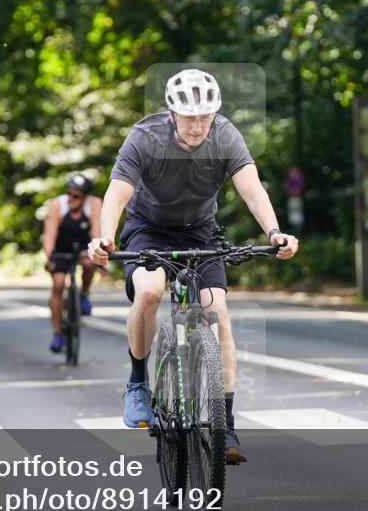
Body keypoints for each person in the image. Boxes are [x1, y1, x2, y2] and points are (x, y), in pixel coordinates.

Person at [87, 69, 299, 463]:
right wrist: (104, 238)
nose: (199, 126)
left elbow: (252, 188)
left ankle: (225, 424)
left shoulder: (225, 135)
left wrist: (274, 232)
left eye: (205, 117)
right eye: (190, 118)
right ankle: (138, 384)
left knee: (219, 315)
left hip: (201, 234)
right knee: (149, 293)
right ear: (172, 114)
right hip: (149, 230)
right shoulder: (145, 137)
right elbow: (117, 194)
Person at [42, 174, 102, 353]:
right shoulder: (58, 205)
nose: (70, 198)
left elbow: (97, 232)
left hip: (83, 247)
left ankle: (83, 294)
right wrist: (50, 258)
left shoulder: (94, 204)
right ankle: (57, 333)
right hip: (61, 249)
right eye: (69, 193)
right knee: (58, 284)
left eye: (76, 196)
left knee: (90, 264)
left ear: (85, 197)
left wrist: (97, 253)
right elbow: (49, 234)